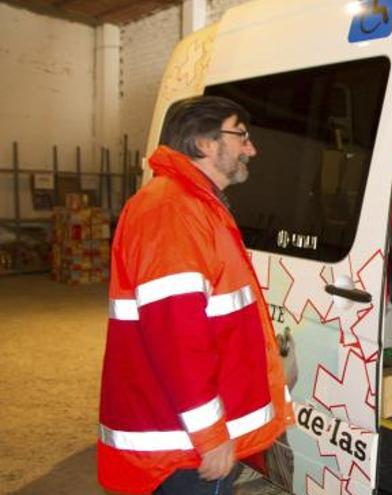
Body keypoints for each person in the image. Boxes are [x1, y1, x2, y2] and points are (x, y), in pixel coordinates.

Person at [97, 96, 294, 494]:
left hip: (182, 434)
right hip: (182, 446)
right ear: (205, 144)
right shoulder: (173, 210)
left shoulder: (192, 205)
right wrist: (210, 436)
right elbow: (177, 337)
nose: (251, 148)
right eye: (241, 135)